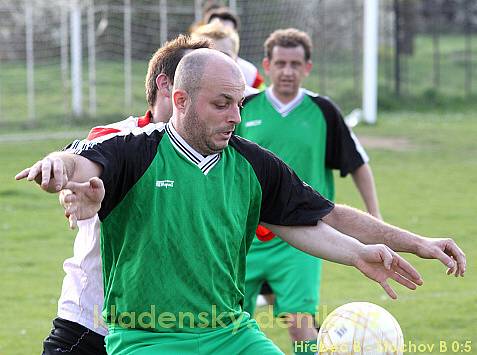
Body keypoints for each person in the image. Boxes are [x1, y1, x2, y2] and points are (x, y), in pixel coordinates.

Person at [16, 49, 465, 355]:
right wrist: (58, 166)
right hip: (147, 337)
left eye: (238, 104)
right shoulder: (136, 149)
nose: (235, 116)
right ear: (180, 100)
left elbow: (317, 217)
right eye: (221, 104)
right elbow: (80, 167)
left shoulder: (250, 163)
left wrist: (394, 247)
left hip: (231, 333)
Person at [40, 34, 211, 355]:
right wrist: (74, 193)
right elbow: (79, 165)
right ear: (166, 85)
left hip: (171, 330)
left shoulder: (218, 154)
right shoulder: (115, 137)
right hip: (94, 322)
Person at [235, 28, 381, 353]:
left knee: (301, 325)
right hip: (244, 237)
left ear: (307, 67)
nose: (288, 71)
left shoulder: (323, 111)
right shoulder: (243, 108)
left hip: (303, 239)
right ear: (267, 66)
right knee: (229, 325)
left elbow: (357, 163)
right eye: (281, 63)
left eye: (295, 64)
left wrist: (374, 217)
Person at [202, 6, 266, 90]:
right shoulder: (191, 68)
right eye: (216, 29)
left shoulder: (250, 73)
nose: (221, 34)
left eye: (227, 31)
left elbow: (263, 98)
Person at [191, 22, 259, 97]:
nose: (216, 63)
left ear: (236, 60)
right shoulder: (182, 99)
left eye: (224, 56)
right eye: (207, 55)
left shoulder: (255, 101)